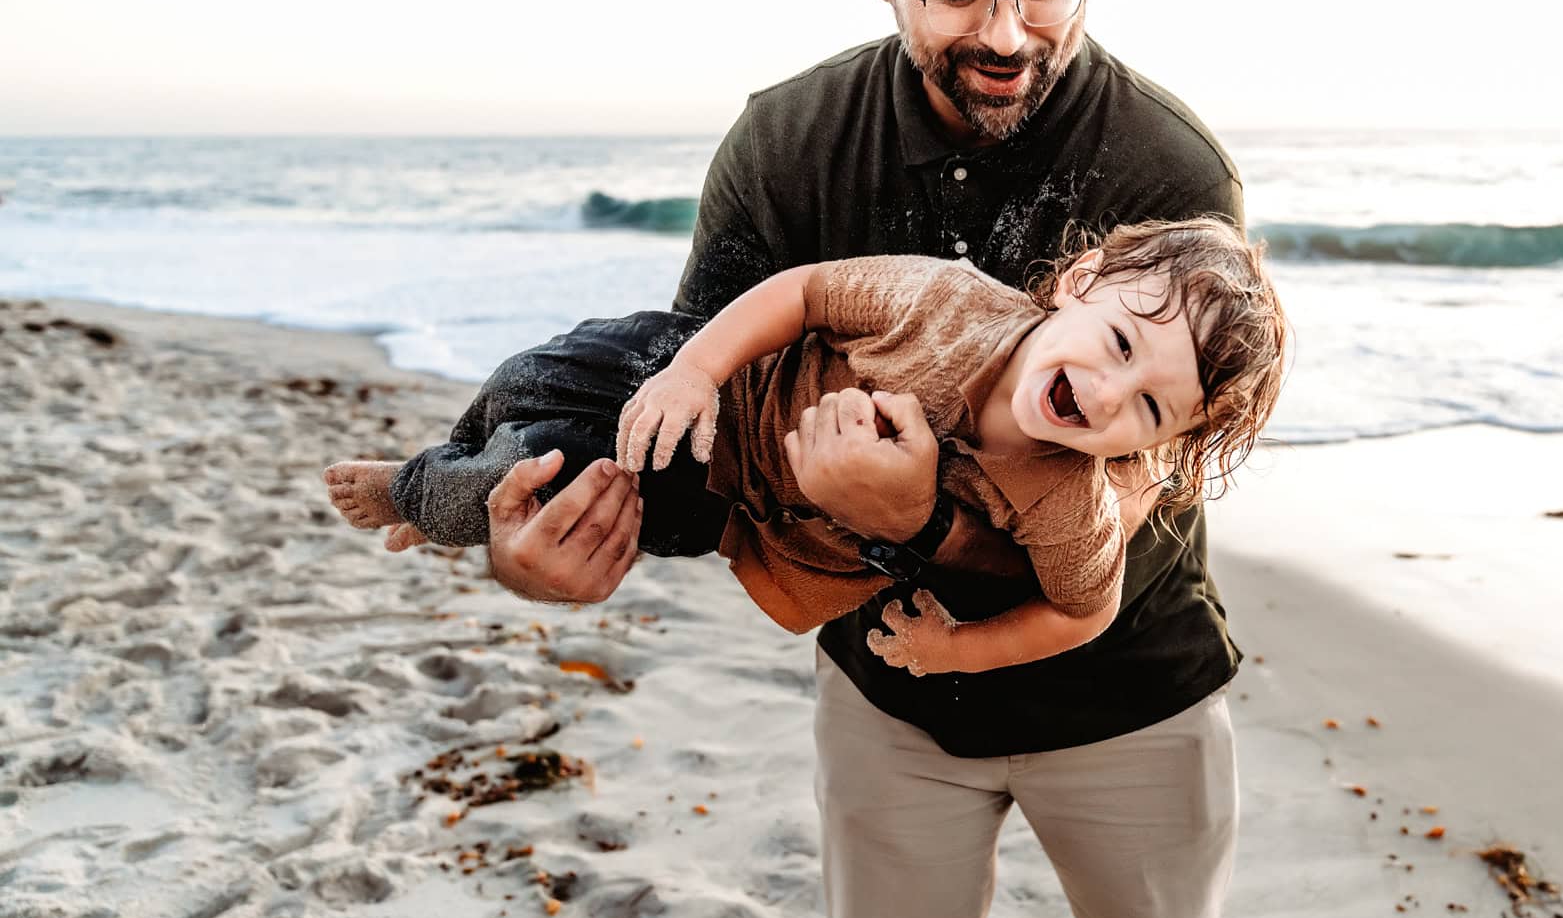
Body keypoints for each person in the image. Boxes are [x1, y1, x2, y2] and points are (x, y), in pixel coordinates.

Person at [467, 0, 1253, 918]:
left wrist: (917, 519)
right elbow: (694, 437)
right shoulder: (787, 147)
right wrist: (536, 552)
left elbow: (1128, 501)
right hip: (889, 690)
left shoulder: (1167, 170)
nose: (1008, 28)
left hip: (1133, 689)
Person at [323, 219, 1287, 680]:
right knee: (535, 374)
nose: (1110, 393)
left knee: (540, 472)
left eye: (1151, 408)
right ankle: (437, 479)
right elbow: (809, 291)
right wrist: (696, 371)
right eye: (1119, 344)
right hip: (705, 392)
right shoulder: (942, 302)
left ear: (1160, 445)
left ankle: (427, 498)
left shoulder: (1070, 502)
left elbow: (1081, 611)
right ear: (1079, 279)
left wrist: (955, 650)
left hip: (721, 498)